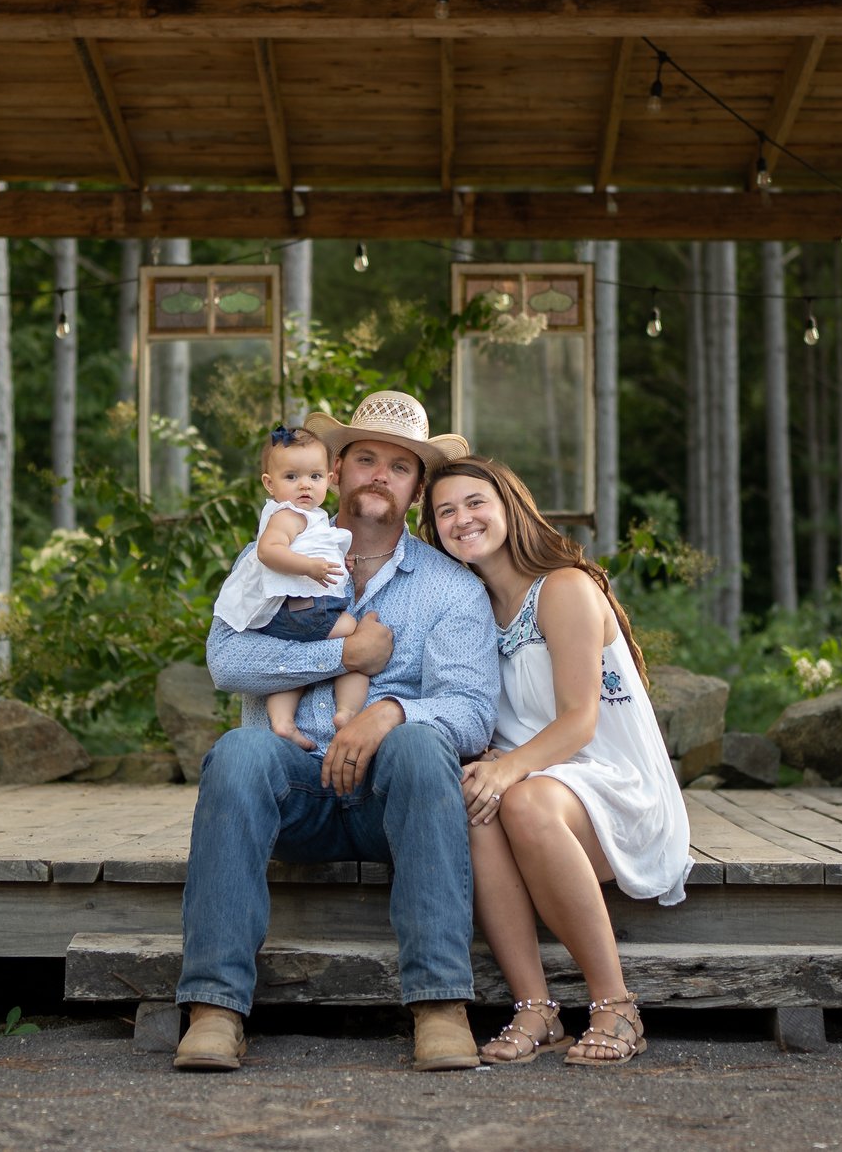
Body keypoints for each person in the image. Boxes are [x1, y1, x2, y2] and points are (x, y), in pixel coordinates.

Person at [173, 390, 497, 1074]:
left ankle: (440, 1005)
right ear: (337, 470)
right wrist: (343, 656)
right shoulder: (267, 560)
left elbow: (471, 709)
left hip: (391, 798)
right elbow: (226, 661)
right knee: (237, 752)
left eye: (401, 466)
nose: (381, 474)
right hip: (294, 784)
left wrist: (392, 711)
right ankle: (215, 1008)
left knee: (419, 739)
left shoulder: (450, 588)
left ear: (415, 489)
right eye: (367, 459)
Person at [421, 456, 691, 1067]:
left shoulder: (564, 588)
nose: (462, 519)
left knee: (517, 794)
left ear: (510, 507)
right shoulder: (470, 608)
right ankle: (536, 1009)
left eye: (475, 503)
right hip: (538, 785)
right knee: (477, 802)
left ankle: (616, 1005)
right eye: (445, 512)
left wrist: (509, 766)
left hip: (616, 788)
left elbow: (579, 721)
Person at [212, 425, 363, 749]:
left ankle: (282, 722)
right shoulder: (289, 515)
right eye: (291, 477)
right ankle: (348, 711)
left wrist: (338, 561)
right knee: (356, 634)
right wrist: (310, 567)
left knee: (288, 670)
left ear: (330, 479)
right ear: (270, 483)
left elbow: (316, 548)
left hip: (290, 615)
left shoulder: (311, 518)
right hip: (304, 608)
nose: (305, 485)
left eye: (314, 477)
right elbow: (269, 551)